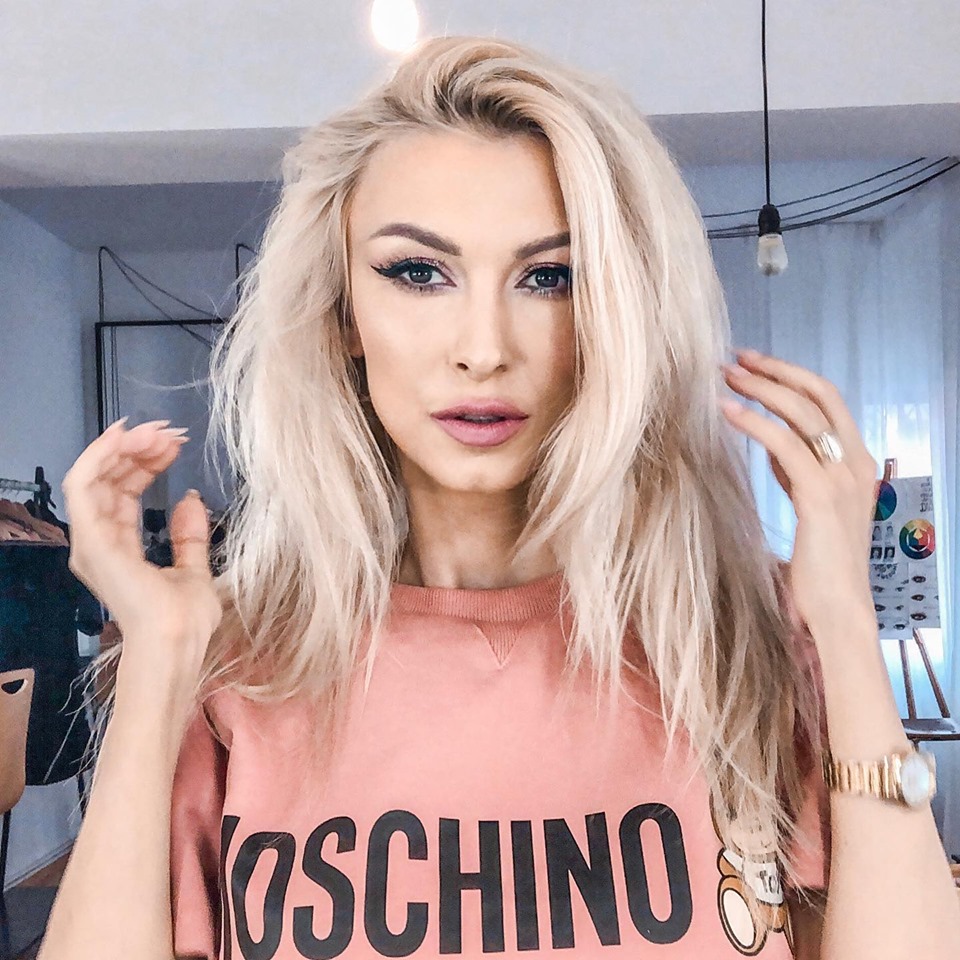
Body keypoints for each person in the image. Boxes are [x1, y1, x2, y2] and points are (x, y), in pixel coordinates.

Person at [38, 34, 959, 960]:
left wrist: (844, 623)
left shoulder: (741, 634)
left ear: (617, 313)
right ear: (344, 312)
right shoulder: (233, 659)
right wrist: (156, 668)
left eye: (549, 277)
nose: (483, 348)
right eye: (417, 272)